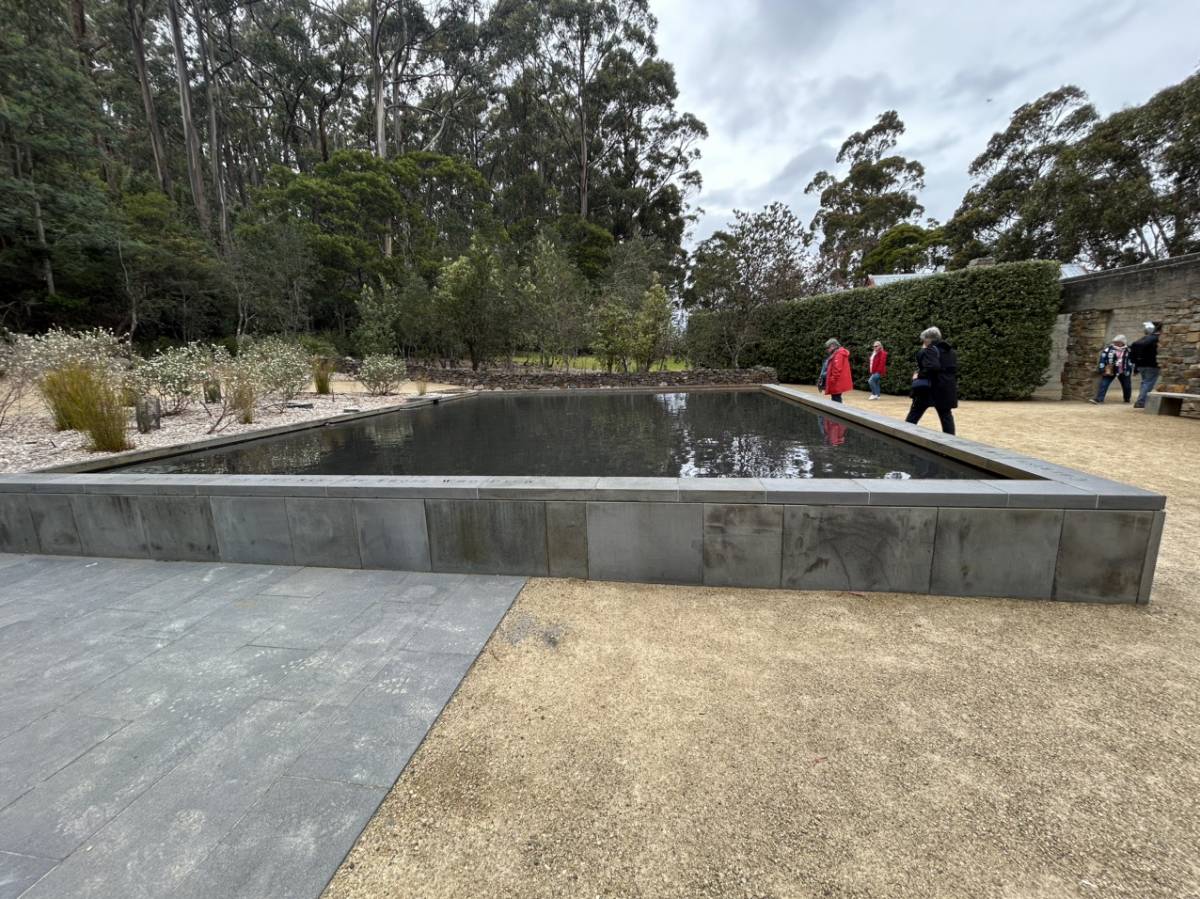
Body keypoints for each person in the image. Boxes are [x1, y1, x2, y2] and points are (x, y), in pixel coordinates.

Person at [904, 326, 957, 435]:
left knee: (915, 413)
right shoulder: (951, 351)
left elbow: (931, 367)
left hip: (930, 388)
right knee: (946, 416)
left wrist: (918, 375)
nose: (923, 342)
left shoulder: (930, 350)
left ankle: (904, 435)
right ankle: (951, 441)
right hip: (946, 387)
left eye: (924, 339)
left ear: (929, 339)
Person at [1089, 334, 1133, 404]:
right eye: (1115, 342)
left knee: (1126, 385)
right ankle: (1099, 399)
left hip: (1124, 370)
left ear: (1123, 342)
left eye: (1118, 342)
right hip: (1111, 370)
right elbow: (1103, 358)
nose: (1116, 343)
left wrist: (1132, 368)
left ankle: (1127, 398)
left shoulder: (1128, 350)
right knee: (1104, 384)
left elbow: (1132, 359)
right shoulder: (1108, 349)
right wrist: (1102, 369)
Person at [1129, 321, 1161, 409]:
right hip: (1152, 365)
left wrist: (1136, 366)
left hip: (1141, 365)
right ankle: (1141, 402)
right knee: (1148, 383)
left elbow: (1134, 349)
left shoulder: (1142, 339)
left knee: (1144, 383)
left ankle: (1141, 400)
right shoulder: (1156, 339)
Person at [822, 338, 852, 403]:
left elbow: (837, 370)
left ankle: (840, 409)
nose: (827, 350)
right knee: (836, 398)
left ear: (833, 346)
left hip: (837, 383)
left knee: (836, 400)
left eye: (828, 347)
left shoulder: (839, 354)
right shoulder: (838, 353)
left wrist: (831, 380)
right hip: (837, 381)